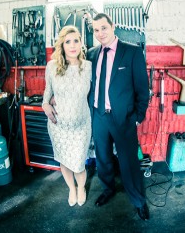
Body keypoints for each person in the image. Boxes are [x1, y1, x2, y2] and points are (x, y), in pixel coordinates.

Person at [87, 13, 150, 220]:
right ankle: (108, 190)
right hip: (99, 116)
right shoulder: (91, 54)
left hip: (123, 118)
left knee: (129, 162)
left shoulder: (132, 52)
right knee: (103, 158)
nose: (100, 33)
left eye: (103, 28)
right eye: (96, 30)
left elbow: (143, 89)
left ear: (112, 26)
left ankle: (139, 201)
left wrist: (137, 117)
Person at [42, 25, 92, 207]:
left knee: (78, 162)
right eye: (68, 41)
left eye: (76, 41)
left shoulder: (88, 67)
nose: (72, 45)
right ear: (62, 45)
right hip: (59, 125)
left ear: (81, 43)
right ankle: (71, 188)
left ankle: (81, 188)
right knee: (64, 160)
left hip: (81, 125)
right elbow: (47, 92)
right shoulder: (52, 66)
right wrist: (45, 104)